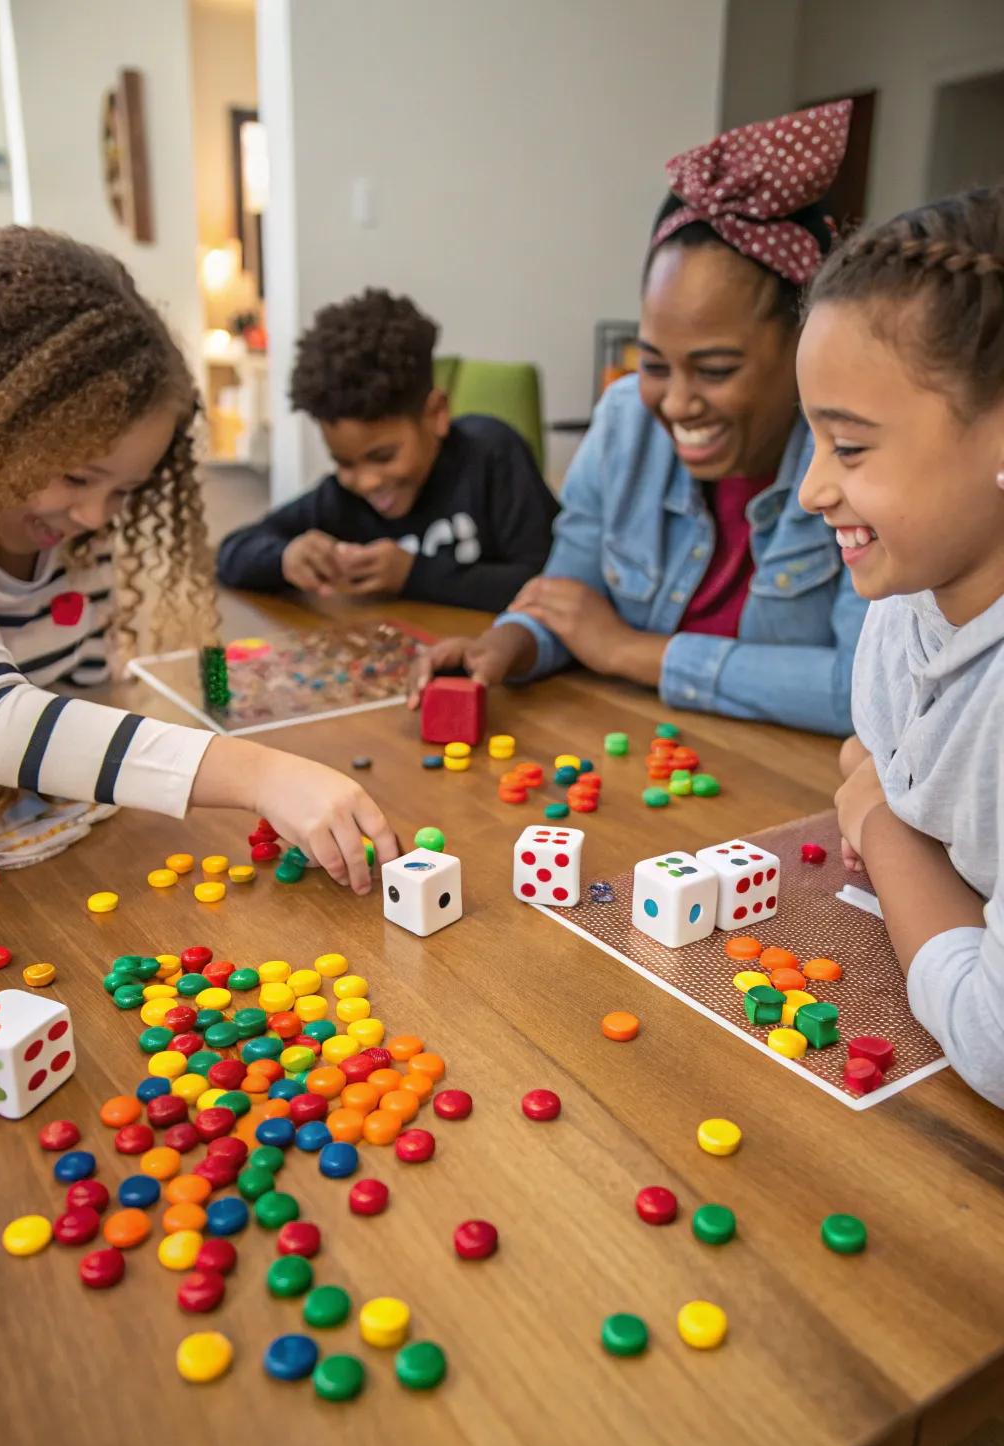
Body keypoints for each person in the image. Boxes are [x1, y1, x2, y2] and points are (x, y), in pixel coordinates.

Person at [410, 104, 867, 735]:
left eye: (714, 370)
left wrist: (631, 652)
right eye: (654, 363)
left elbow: (862, 692)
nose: (676, 404)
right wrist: (507, 644)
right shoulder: (626, 419)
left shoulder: (860, 464)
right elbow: (570, 595)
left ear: (804, 347)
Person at [0, 226, 395, 893]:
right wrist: (260, 774)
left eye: (123, 490)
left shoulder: (78, 540)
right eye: (77, 477)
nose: (93, 516)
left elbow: (80, 694)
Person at [797, 187, 1004, 1109]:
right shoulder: (903, 601)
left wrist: (882, 825)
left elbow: (996, 1046)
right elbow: (870, 757)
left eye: (848, 447)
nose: (810, 489)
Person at [216, 288, 558, 612]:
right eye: (343, 462)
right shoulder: (343, 498)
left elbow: (554, 585)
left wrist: (414, 574)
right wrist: (285, 557)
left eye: (383, 457)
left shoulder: (492, 457)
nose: (365, 482)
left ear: (436, 414)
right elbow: (232, 551)